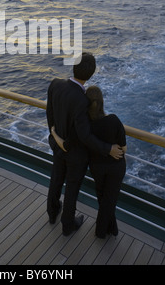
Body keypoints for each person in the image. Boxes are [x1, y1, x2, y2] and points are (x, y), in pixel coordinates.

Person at [46, 52, 123, 236]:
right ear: (92, 74)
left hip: (58, 147)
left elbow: (50, 113)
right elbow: (85, 135)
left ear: (73, 66)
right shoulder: (82, 100)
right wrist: (108, 149)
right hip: (75, 155)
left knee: (56, 180)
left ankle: (52, 212)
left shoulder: (55, 84)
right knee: (72, 188)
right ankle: (67, 225)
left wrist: (54, 135)